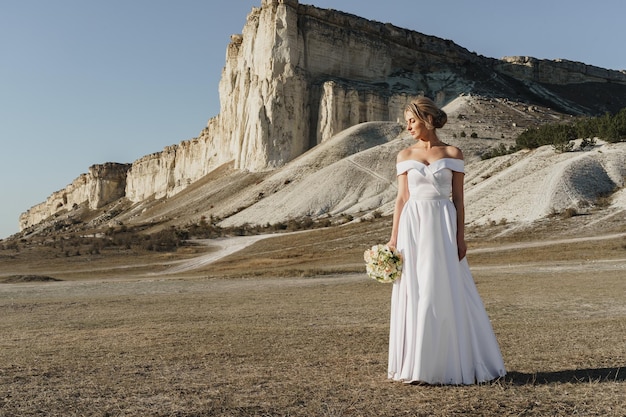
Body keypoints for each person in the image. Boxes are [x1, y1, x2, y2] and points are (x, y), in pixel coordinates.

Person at [386, 97, 506, 385]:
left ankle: (450, 362)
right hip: (413, 227)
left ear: (426, 118)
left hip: (442, 223)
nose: (408, 126)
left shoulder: (453, 153)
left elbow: (459, 200)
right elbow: (401, 199)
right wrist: (393, 239)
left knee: (444, 287)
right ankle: (417, 365)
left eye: (412, 120)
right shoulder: (404, 156)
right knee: (417, 289)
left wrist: (460, 238)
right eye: (407, 122)